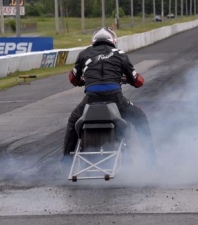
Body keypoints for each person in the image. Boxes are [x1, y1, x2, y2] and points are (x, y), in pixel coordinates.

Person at [62, 27, 156, 165]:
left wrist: (83, 81)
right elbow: (138, 81)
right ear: (113, 40)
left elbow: (73, 79)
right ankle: (151, 159)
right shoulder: (120, 54)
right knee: (139, 117)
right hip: (115, 97)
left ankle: (66, 161)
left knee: (73, 120)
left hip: (91, 98)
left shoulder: (84, 53)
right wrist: (127, 79)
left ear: (94, 40)